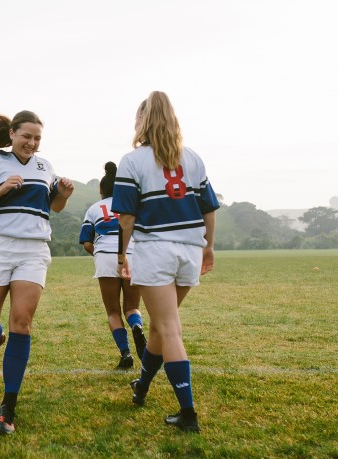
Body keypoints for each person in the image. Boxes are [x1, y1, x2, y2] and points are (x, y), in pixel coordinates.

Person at [0, 108, 74, 435]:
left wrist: (62, 193)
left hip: (34, 249)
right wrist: (2, 189)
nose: (32, 143)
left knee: (23, 321)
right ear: (12, 134)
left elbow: (54, 207)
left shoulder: (44, 167)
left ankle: (8, 405)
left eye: (37, 138)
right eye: (26, 137)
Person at [113, 91, 219, 433]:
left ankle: (187, 414)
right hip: (189, 251)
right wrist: (208, 247)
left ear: (142, 121)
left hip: (156, 250)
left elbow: (126, 218)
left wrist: (120, 255)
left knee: (169, 328)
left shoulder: (133, 161)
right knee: (161, 325)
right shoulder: (193, 159)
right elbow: (208, 210)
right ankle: (141, 387)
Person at [78, 161, 146, 369]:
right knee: (132, 307)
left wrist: (99, 254)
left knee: (113, 312)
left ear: (101, 189)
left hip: (106, 257)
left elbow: (86, 242)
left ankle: (125, 353)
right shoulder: (133, 206)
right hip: (133, 255)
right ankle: (137, 327)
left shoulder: (93, 209)